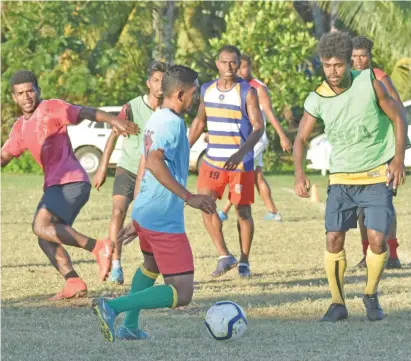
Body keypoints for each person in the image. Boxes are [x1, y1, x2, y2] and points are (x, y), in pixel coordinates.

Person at [92, 65, 216, 342]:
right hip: (162, 217)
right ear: (181, 93)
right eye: (194, 93)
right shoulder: (171, 122)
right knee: (182, 292)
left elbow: (143, 162)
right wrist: (189, 196)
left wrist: (139, 213)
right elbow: (154, 161)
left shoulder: (157, 117)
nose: (196, 99)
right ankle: (111, 307)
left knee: (150, 266)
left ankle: (130, 326)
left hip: (149, 211)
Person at [293, 32, 409, 322]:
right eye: (327, 66)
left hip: (374, 175)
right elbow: (300, 139)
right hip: (341, 179)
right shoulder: (317, 97)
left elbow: (398, 117)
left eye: (339, 65)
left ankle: (370, 294)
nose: (333, 72)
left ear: (349, 63)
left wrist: (397, 159)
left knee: (378, 241)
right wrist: (299, 173)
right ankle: (337, 303)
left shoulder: (370, 82)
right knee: (333, 238)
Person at [1, 70, 138, 300]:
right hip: (56, 186)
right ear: (14, 97)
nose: (26, 97)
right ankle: (73, 282)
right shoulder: (20, 128)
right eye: (20, 93)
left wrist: (114, 120)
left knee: (40, 225)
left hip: (71, 181)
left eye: (30, 91)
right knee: (46, 238)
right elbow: (4, 155)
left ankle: (99, 247)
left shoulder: (51, 107)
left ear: (38, 91)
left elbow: (85, 112)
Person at [188, 45, 264, 278]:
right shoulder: (206, 89)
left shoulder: (247, 91)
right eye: (224, 62)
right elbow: (200, 122)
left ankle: (244, 260)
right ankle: (224, 255)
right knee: (205, 203)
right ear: (217, 64)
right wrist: (184, 150)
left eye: (234, 62)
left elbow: (258, 127)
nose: (229, 67)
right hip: (212, 161)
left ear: (239, 64)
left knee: (243, 212)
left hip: (239, 163)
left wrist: (241, 153)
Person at [93, 61, 168, 284]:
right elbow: (113, 135)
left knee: (152, 221)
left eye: (164, 81)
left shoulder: (169, 110)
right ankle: (116, 263)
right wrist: (102, 168)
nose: (160, 85)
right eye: (156, 80)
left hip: (153, 174)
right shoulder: (132, 107)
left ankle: (158, 267)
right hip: (127, 168)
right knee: (118, 212)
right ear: (148, 83)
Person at [352, 36, 406, 269]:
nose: (358, 61)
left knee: (385, 205)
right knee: (361, 206)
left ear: (370, 56)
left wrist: (398, 154)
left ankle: (392, 256)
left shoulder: (380, 77)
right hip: (359, 152)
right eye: (353, 57)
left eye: (362, 55)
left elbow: (399, 111)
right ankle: (367, 255)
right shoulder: (348, 79)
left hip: (382, 152)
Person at [217, 54, 292, 222]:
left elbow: (270, 113)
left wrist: (282, 136)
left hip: (256, 138)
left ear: (250, 67)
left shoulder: (259, 88)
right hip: (244, 140)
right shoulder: (237, 86)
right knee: (257, 176)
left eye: (245, 67)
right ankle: (273, 212)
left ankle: (224, 211)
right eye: (239, 67)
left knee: (239, 172)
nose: (241, 71)